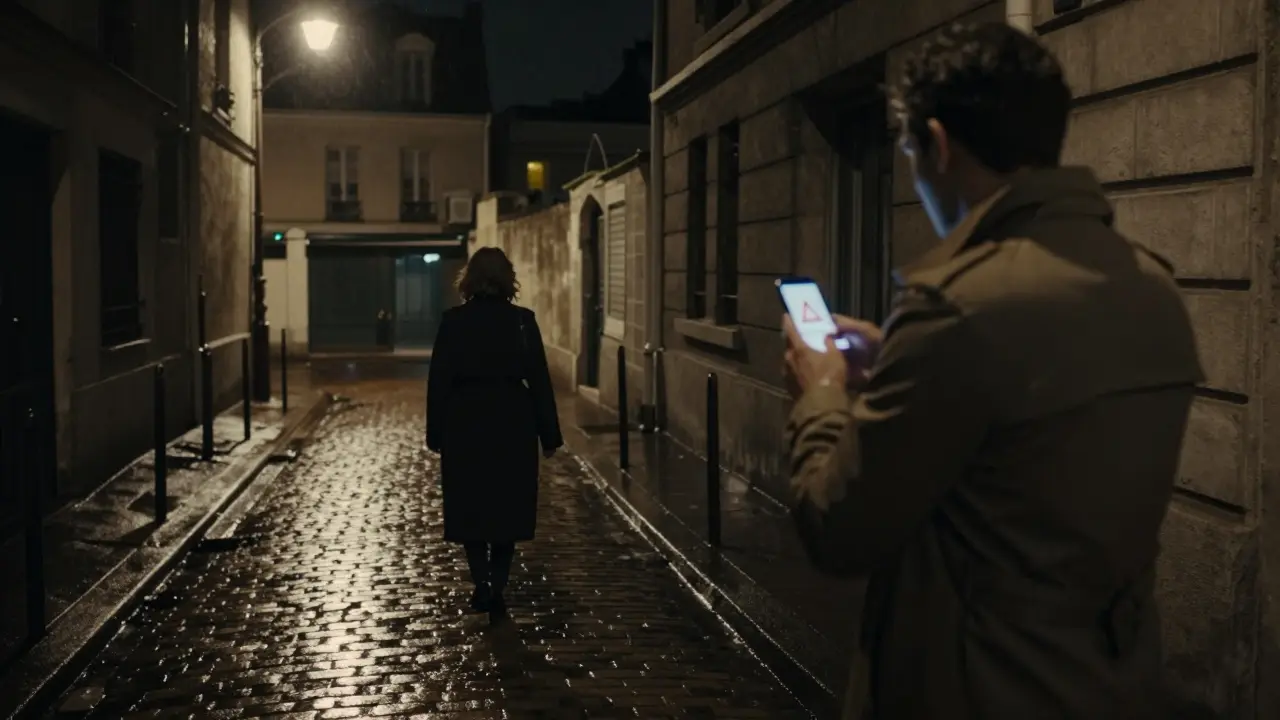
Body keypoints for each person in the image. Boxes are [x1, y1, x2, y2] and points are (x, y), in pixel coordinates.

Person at [781, 22, 1203, 720]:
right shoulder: (1151, 286)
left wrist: (822, 391)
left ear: (940, 145)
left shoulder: (957, 306)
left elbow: (838, 527)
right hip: (1108, 683)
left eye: (913, 154)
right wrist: (898, 361)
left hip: (975, 688)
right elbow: (1030, 429)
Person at [426, 247, 563, 621]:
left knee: (470, 505)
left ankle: (481, 583)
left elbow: (438, 381)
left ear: (468, 279)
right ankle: (497, 586)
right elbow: (538, 381)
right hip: (511, 419)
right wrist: (549, 435)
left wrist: (435, 432)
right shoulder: (522, 321)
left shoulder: (453, 321)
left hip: (465, 419)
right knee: (507, 506)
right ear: (508, 279)